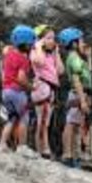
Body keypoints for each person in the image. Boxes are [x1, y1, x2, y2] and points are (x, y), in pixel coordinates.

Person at [58, 27, 92, 167]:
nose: (83, 43)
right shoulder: (74, 58)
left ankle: (72, 155)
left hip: (82, 93)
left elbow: (88, 74)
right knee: (71, 124)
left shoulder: (77, 58)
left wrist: (89, 58)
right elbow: (77, 80)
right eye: (81, 40)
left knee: (75, 125)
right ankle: (67, 155)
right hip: (78, 93)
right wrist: (83, 100)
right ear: (73, 43)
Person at [0, 25, 35, 153]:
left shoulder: (8, 55)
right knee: (24, 118)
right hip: (17, 92)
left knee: (11, 118)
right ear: (26, 44)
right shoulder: (23, 59)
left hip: (5, 91)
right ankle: (22, 147)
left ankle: (2, 144)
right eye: (31, 43)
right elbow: (21, 78)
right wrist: (31, 87)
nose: (32, 46)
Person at [29, 25, 63, 159]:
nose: (52, 41)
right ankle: (41, 149)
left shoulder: (51, 54)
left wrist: (57, 53)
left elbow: (60, 71)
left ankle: (45, 148)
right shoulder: (35, 52)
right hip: (42, 88)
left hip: (50, 89)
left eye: (53, 38)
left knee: (46, 122)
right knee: (41, 121)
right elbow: (40, 62)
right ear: (40, 40)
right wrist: (38, 46)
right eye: (48, 38)